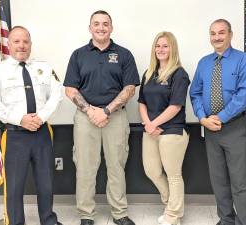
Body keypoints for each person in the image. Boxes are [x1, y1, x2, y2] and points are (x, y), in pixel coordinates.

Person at [63, 10, 140, 225]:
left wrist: (106, 111)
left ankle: (119, 213)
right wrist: (90, 111)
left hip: (115, 117)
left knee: (117, 166)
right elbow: (70, 89)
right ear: (90, 28)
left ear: (111, 27)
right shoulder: (78, 55)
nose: (101, 27)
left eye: (105, 24)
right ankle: (86, 215)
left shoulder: (124, 54)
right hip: (85, 118)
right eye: (96, 24)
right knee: (85, 167)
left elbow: (130, 88)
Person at [0, 26, 63, 225]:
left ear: (31, 45)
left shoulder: (43, 68)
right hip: (15, 135)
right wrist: (20, 119)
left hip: (42, 132)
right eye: (17, 41)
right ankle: (15, 222)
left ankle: (48, 220)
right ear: (9, 44)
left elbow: (57, 94)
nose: (21, 45)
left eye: (25, 41)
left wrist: (41, 117)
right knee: (15, 185)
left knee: (46, 183)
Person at [190, 19, 246, 225]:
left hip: (234, 127)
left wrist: (220, 117)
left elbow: (244, 96)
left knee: (240, 181)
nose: (216, 37)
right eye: (213, 33)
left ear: (230, 34)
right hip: (210, 129)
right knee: (219, 180)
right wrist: (203, 119)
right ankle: (226, 220)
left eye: (221, 33)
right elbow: (195, 93)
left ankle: (245, 222)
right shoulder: (204, 63)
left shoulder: (243, 60)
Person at [138, 31, 190, 225]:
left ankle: (173, 216)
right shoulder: (149, 73)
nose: (160, 49)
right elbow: (141, 102)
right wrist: (149, 125)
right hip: (151, 130)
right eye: (158, 46)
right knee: (151, 171)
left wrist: (154, 124)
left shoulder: (179, 74)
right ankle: (171, 204)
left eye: (165, 46)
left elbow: (175, 106)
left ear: (172, 49)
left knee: (173, 175)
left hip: (172, 131)